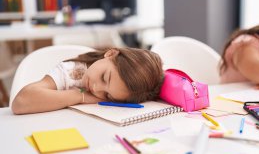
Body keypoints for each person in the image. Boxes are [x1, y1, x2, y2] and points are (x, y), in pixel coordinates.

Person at [12, 47, 164, 114]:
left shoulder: (130, 91)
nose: (97, 89)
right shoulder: (71, 72)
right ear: (110, 54)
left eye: (107, 96)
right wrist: (79, 95)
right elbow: (20, 102)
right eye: (105, 77)